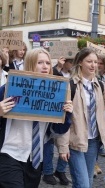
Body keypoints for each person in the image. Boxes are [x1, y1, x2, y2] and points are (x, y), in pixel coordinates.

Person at [0, 48, 73, 188]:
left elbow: (57, 131)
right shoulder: (10, 87)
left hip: (35, 159)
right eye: (40, 62)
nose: (45, 66)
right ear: (30, 63)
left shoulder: (57, 92)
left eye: (47, 62)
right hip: (10, 154)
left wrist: (67, 114)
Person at [57, 47, 105, 188]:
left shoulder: (99, 85)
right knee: (83, 184)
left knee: (87, 182)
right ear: (80, 62)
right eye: (89, 61)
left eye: (95, 62)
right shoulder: (70, 85)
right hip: (75, 141)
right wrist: (63, 146)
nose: (93, 65)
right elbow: (63, 117)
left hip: (93, 141)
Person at [42, 57, 73, 185]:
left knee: (65, 144)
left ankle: (60, 170)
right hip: (47, 113)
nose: (71, 64)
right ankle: (47, 172)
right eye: (69, 61)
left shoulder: (75, 76)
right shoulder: (55, 72)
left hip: (63, 112)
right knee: (48, 145)